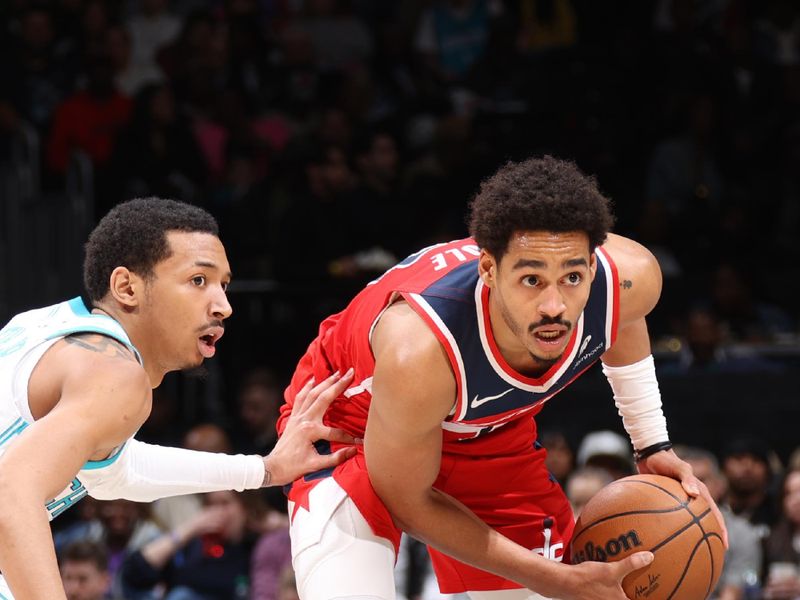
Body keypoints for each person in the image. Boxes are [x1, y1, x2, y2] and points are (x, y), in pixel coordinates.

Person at [277, 156, 727, 600]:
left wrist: (652, 445)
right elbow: (408, 502)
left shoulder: (631, 279)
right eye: (531, 279)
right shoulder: (419, 351)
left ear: (593, 269)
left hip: (488, 434)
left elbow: (621, 320)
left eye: (572, 276)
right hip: (348, 425)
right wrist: (553, 578)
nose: (554, 305)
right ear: (489, 270)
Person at [0, 197, 357, 599]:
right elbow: (10, 494)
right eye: (198, 281)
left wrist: (264, 469)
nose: (224, 306)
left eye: (224, 285)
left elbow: (111, 472)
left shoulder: (43, 326)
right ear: (127, 287)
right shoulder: (116, 375)